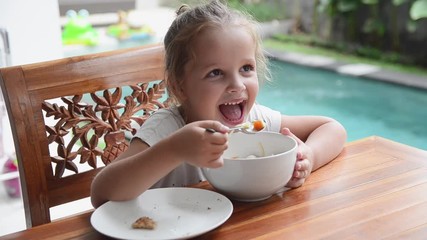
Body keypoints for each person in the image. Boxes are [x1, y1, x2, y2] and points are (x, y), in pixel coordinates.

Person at [90, 0, 347, 208]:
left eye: (246, 68)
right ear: (180, 86)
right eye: (215, 73)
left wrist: (309, 157)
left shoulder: (256, 122)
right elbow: (101, 194)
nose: (237, 84)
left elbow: (332, 127)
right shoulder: (167, 129)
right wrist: (174, 150)